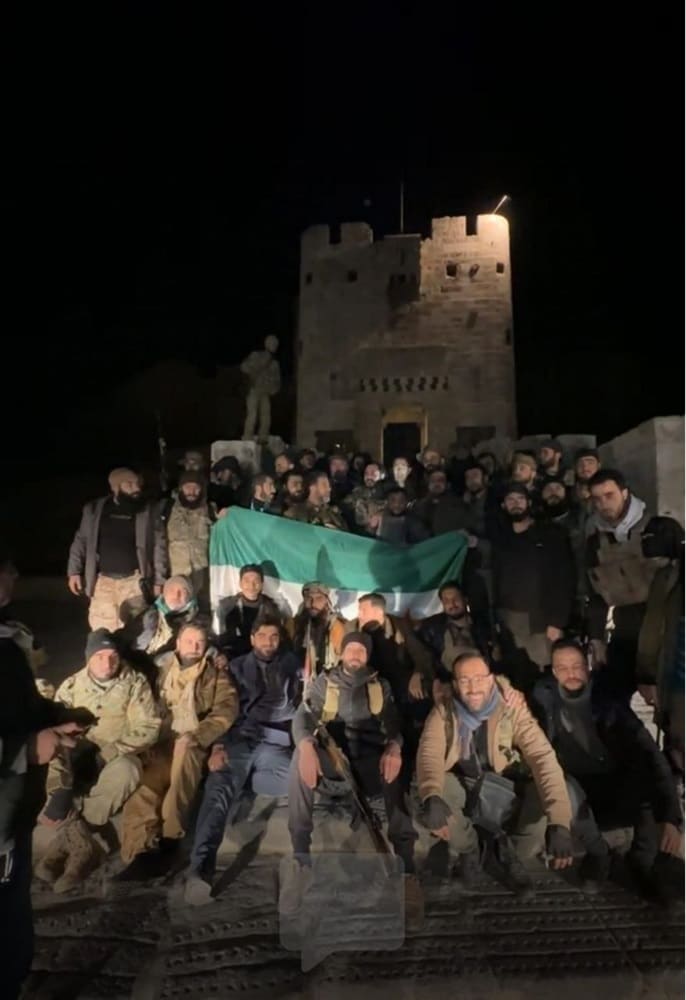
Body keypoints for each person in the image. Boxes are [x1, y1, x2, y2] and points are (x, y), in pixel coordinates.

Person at [282, 631, 422, 925]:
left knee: (395, 766)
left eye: (361, 650)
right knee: (299, 759)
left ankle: (407, 871)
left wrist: (395, 746)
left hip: (371, 767)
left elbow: (395, 723)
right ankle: (300, 861)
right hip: (334, 763)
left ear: (367, 656)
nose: (355, 655)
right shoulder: (324, 682)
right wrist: (306, 743)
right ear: (342, 653)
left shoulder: (379, 685)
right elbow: (303, 716)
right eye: (351, 649)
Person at [0, 551, 89, 998]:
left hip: (13, 808)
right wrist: (26, 750)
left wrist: (57, 716)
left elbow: (21, 708)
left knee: (14, 909)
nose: (14, 574)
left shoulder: (8, 639)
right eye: (4, 567)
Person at [532, 640, 683, 900]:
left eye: (577, 666)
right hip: (572, 785)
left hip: (611, 782)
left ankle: (641, 863)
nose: (571, 674)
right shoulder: (541, 698)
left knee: (645, 785)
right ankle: (598, 853)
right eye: (563, 668)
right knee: (562, 785)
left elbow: (650, 754)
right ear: (553, 672)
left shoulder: (608, 702)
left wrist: (671, 817)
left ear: (588, 668)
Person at [417, 651, 573, 898]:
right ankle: (470, 849)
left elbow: (542, 757)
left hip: (506, 785)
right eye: (465, 680)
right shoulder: (444, 711)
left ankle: (509, 852)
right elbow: (429, 752)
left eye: (479, 678)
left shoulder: (512, 708)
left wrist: (560, 822)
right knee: (434, 795)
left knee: (541, 804)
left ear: (491, 679)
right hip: (465, 782)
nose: (473, 687)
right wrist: (430, 794)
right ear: (455, 684)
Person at [185, 617, 302, 903]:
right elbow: (221, 711)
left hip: (274, 744)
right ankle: (200, 871)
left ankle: (243, 782)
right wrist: (218, 746)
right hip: (239, 740)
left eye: (274, 636)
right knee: (219, 792)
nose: (268, 642)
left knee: (301, 780)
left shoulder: (291, 665)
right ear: (252, 639)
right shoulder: (234, 668)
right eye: (262, 636)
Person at [36, 629, 160, 891]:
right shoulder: (71, 686)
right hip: (78, 754)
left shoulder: (135, 683)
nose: (107, 663)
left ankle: (71, 839)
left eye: (112, 656)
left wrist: (111, 752)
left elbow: (148, 727)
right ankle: (77, 837)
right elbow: (56, 728)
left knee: (129, 770)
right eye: (100, 656)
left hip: (116, 754)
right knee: (49, 755)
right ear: (88, 659)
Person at [117, 623, 238, 877]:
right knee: (144, 781)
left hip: (192, 743)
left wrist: (197, 736)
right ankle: (138, 850)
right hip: (161, 742)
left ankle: (170, 839)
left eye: (200, 643)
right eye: (189, 641)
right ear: (178, 643)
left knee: (183, 765)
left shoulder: (216, 675)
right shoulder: (158, 671)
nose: (194, 647)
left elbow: (226, 710)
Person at [585, 470, 683, 699]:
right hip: (625, 631)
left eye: (609, 495)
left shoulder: (662, 529)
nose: (603, 503)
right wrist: (597, 638)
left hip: (667, 630)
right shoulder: (594, 543)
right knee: (610, 700)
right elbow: (595, 593)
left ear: (625, 493)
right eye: (597, 499)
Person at [492, 483, 575, 685]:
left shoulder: (550, 535)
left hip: (540, 620)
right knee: (515, 676)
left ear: (529, 502)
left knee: (544, 676)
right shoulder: (500, 539)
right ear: (503, 505)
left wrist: (557, 621)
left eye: (520, 499)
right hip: (509, 620)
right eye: (510, 500)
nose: (516, 504)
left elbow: (564, 578)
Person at [67, 468, 166, 632]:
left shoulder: (147, 510)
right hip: (104, 582)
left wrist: (159, 580)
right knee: (102, 630)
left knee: (136, 631)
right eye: (129, 484)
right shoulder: (94, 510)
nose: (136, 488)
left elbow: (159, 546)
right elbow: (81, 540)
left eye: (137, 483)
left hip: (134, 582)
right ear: (115, 487)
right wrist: (74, 571)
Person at [636, 517, 685, 780]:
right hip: (674, 671)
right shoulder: (665, 578)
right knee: (676, 734)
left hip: (677, 671)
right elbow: (652, 628)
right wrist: (646, 674)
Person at [161, 470, 216, 608]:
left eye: (196, 488)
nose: (192, 491)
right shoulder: (165, 508)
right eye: (187, 487)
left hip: (202, 579)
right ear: (180, 489)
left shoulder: (210, 510)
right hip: (175, 577)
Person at [416, 582, 490, 676]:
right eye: (446, 601)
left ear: (465, 599)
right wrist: (418, 671)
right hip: (447, 679)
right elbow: (422, 654)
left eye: (456, 599)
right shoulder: (431, 628)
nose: (452, 604)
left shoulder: (483, 624)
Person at [217, 564, 283, 658]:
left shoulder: (271, 608)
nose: (251, 586)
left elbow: (276, 637)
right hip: (233, 655)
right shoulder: (226, 607)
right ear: (240, 583)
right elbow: (221, 638)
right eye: (247, 581)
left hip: (262, 655)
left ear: (262, 584)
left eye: (256, 581)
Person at [134, 576, 204, 658]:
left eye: (183, 591)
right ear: (164, 593)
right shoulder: (147, 612)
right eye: (172, 590)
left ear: (189, 598)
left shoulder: (193, 622)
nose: (176, 595)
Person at [291, 582, 346, 680]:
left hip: (326, 680)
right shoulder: (293, 623)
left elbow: (344, 660)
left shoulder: (335, 626)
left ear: (326, 601)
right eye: (309, 598)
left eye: (318, 599)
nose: (313, 603)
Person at [241, 335, 281, 441]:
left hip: (265, 392)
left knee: (266, 417)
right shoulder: (256, 355)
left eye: (275, 344)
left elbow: (277, 380)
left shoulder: (274, 363)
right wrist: (256, 366)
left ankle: (263, 437)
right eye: (272, 343)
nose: (274, 346)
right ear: (266, 344)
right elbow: (244, 367)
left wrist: (274, 389)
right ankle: (247, 437)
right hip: (254, 389)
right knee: (252, 415)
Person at [412, 469, 472, 537]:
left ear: (447, 484)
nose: (436, 483)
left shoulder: (458, 504)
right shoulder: (418, 506)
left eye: (440, 480)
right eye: (433, 481)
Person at [344, 461, 387, 533]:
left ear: (382, 475)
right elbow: (345, 505)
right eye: (366, 473)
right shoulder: (357, 492)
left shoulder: (389, 493)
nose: (369, 477)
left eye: (373, 473)